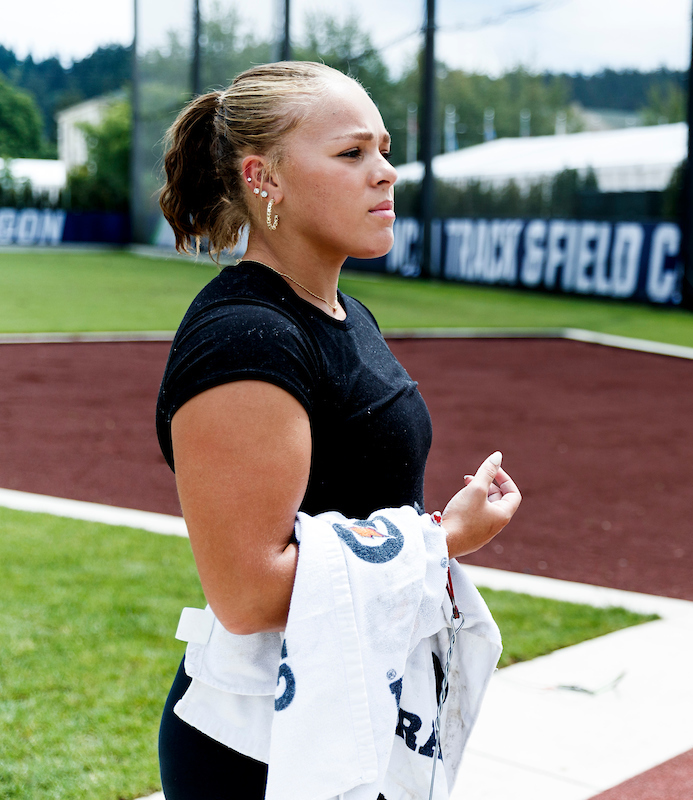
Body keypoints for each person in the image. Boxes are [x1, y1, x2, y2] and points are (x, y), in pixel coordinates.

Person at [153, 61, 521, 799]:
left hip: (354, 709)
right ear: (266, 178)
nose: (384, 173)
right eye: (352, 154)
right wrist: (444, 538)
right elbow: (248, 593)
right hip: (263, 744)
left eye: (383, 149)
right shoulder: (247, 338)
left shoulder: (344, 313)